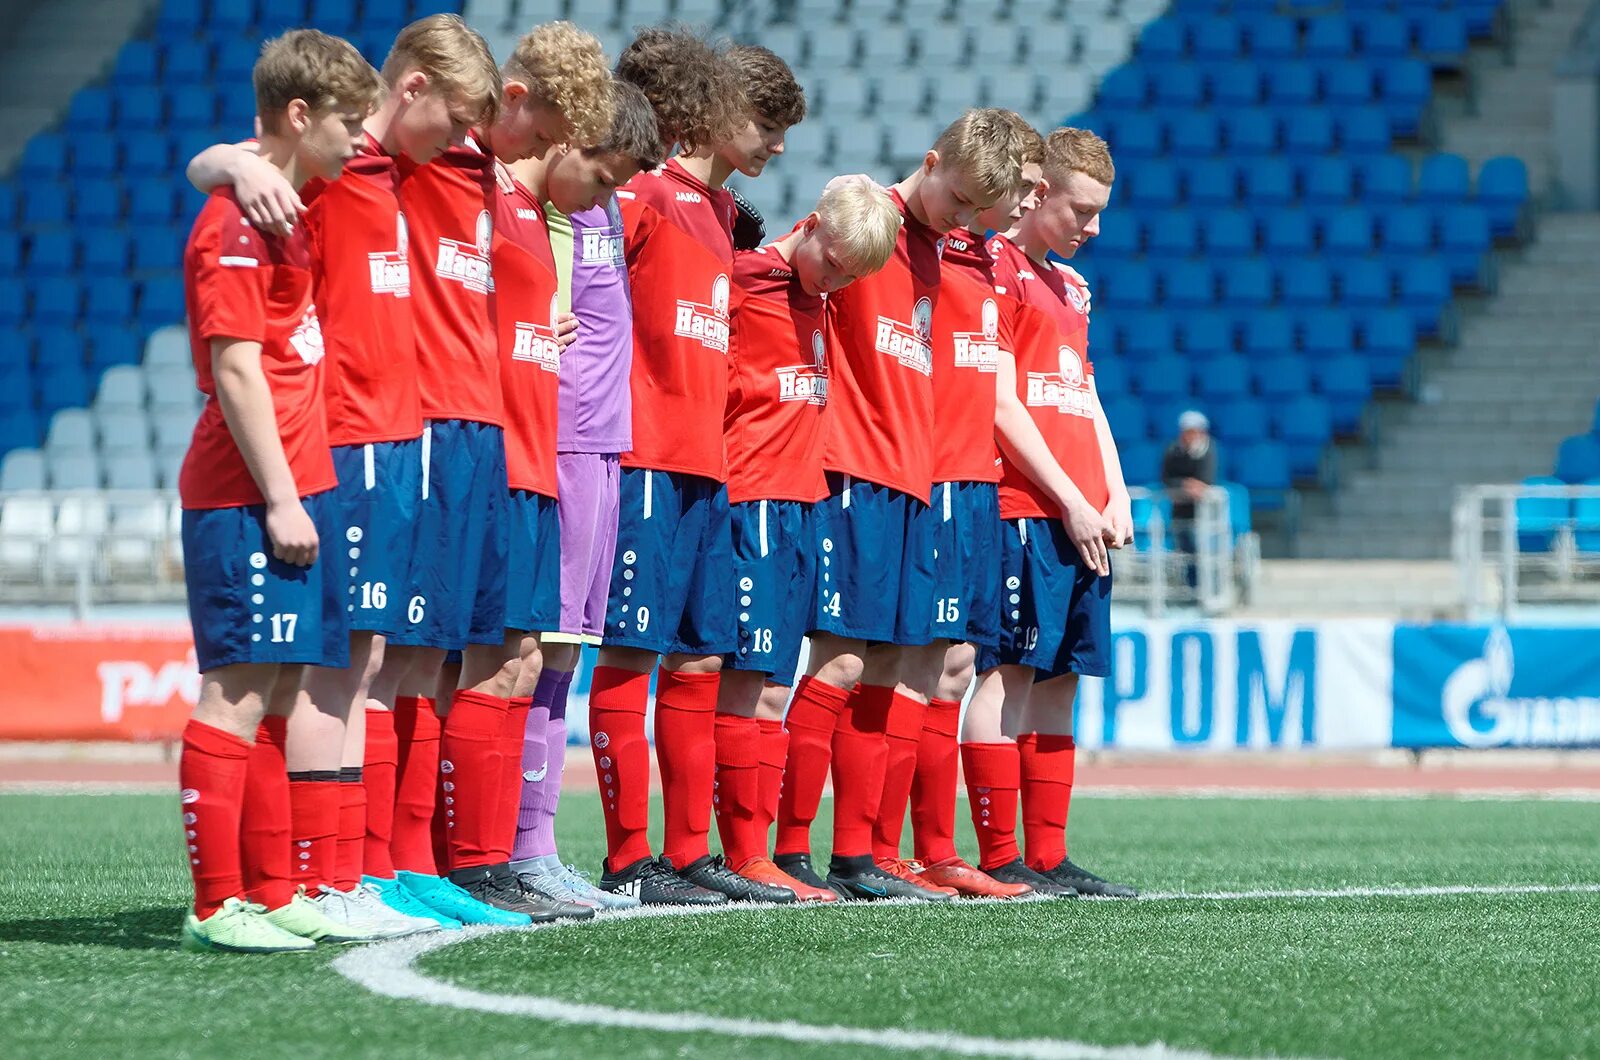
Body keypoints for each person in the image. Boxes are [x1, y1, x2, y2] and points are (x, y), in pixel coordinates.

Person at [771, 109, 1030, 902]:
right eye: (956, 200)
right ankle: (786, 852)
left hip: (913, 479)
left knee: (895, 662)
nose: (962, 219)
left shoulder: (942, 250)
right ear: (930, 161)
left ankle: (861, 856)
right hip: (853, 472)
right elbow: (784, 273)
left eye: (974, 211)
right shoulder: (867, 222)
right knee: (844, 660)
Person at [175, 28, 383, 952]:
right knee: (233, 692)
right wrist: (283, 497)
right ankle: (217, 905)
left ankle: (271, 891)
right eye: (345, 122)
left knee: (279, 689)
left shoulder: (292, 202)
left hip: (301, 485)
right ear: (300, 117)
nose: (358, 140)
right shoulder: (233, 222)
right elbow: (236, 370)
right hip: (249, 493)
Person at [586, 31, 805, 905]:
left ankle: (686, 856)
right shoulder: (637, 196)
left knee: (701, 662)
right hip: (642, 455)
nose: (776, 144)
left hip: (709, 466)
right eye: (764, 123)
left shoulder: (719, 216)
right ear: (714, 114)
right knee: (632, 656)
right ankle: (627, 857)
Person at [711, 174, 903, 903]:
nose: (837, 281)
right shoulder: (745, 277)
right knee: (746, 682)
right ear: (812, 223)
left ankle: (758, 856)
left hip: (802, 503)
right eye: (834, 263)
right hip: (753, 494)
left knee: (771, 688)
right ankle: (740, 855)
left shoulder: (818, 296)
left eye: (853, 276)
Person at [963, 127, 1137, 899]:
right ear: (1040, 195)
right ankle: (1000, 855)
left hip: (1080, 512)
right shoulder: (994, 267)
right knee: (1009, 673)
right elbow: (998, 398)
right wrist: (1069, 497)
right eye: (1082, 209)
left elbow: (1083, 389)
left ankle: (1049, 854)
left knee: (1064, 678)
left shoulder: (1073, 287)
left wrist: (1114, 488)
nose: (1092, 227)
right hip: (1026, 505)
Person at [507, 79, 667, 912]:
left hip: (603, 447)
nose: (615, 193)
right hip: (555, 444)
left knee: (563, 656)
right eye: (606, 175)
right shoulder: (526, 208)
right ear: (564, 141)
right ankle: (511, 849)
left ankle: (533, 845)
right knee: (533, 655)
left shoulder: (596, 210)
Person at [896, 128, 1045, 901]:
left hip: (973, 481)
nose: (1022, 203)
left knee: (953, 667)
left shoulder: (981, 256)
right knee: (910, 663)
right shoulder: (906, 237)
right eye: (1018, 188)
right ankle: (886, 851)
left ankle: (935, 850)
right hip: (928, 479)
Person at [1162, 409, 1219, 588]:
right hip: (1180, 512)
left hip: (1204, 515)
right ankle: (1191, 589)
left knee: (1203, 553)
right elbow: (1167, 479)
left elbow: (1205, 482)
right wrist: (1186, 485)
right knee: (1186, 552)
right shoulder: (1173, 450)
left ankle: (1207, 588)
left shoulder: (1208, 451)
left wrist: (1190, 486)